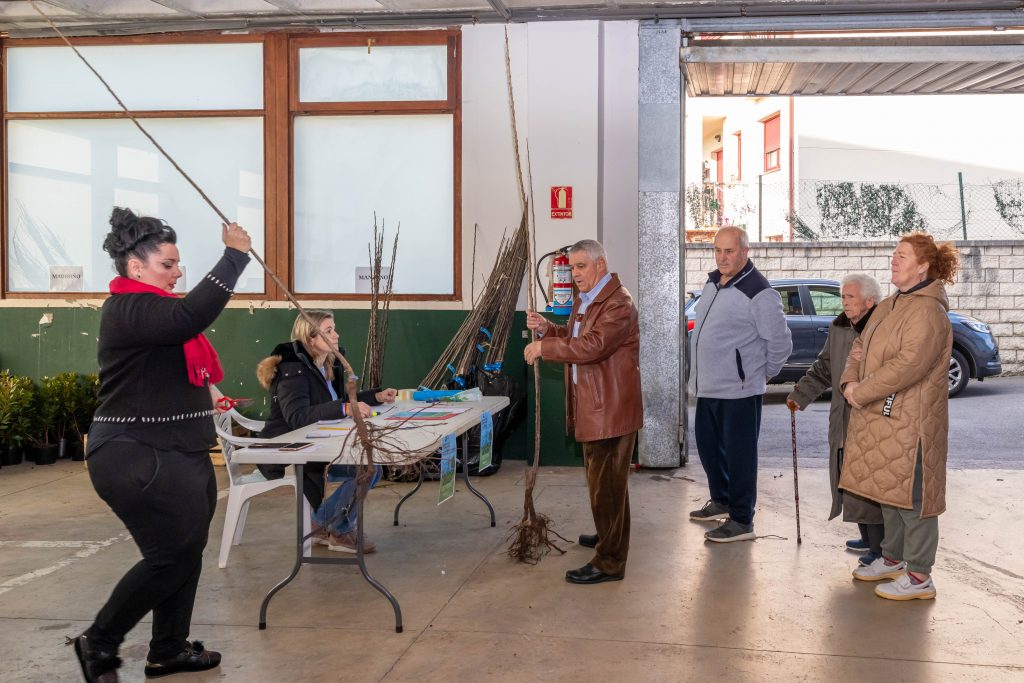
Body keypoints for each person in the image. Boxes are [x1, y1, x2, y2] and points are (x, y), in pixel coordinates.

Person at [74, 207, 252, 683]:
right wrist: (234, 257)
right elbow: (188, 315)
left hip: (176, 451)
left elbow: (175, 350)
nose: (177, 274)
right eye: (167, 265)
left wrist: (209, 396)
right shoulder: (131, 307)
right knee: (170, 556)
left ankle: (168, 650)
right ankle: (100, 641)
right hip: (136, 452)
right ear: (136, 267)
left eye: (178, 265)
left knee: (185, 551)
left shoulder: (150, 310)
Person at [842, 232, 958, 601]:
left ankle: (921, 576)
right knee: (889, 491)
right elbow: (860, 346)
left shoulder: (927, 311)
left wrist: (862, 391)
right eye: (894, 254)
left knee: (915, 498)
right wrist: (847, 380)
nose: (894, 260)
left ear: (923, 266)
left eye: (902, 256)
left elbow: (908, 366)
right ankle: (893, 558)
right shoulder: (894, 303)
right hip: (884, 417)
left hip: (913, 422)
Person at [524, 239, 642, 585]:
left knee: (608, 486)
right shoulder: (588, 300)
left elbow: (592, 346)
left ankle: (610, 561)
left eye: (580, 266)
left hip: (611, 410)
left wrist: (544, 348)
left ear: (600, 265)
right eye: (572, 267)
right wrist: (549, 329)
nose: (574, 273)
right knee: (603, 484)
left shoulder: (618, 304)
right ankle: (610, 535)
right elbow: (576, 336)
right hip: (596, 406)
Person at [256, 310, 397, 553]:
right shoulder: (293, 370)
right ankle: (335, 528)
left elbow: (339, 401)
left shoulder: (325, 364)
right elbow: (298, 416)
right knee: (365, 469)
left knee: (371, 468)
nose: (336, 334)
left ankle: (323, 523)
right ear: (310, 339)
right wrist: (344, 408)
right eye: (328, 330)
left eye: (334, 328)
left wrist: (376, 396)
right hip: (291, 452)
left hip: (318, 446)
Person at [688, 226, 792, 542]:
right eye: (718, 250)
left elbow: (780, 341)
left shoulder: (758, 291)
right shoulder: (712, 284)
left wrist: (764, 372)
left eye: (729, 251)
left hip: (739, 391)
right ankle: (721, 499)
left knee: (739, 456)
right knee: (708, 447)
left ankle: (742, 519)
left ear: (745, 252)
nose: (722, 257)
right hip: (708, 387)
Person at [786, 274, 884, 565]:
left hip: (871, 419)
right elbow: (825, 367)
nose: (844, 302)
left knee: (868, 482)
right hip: (842, 417)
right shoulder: (839, 328)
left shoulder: (883, 330)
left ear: (870, 301)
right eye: (843, 297)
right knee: (848, 479)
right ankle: (867, 539)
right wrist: (800, 395)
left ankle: (880, 550)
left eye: (850, 297)